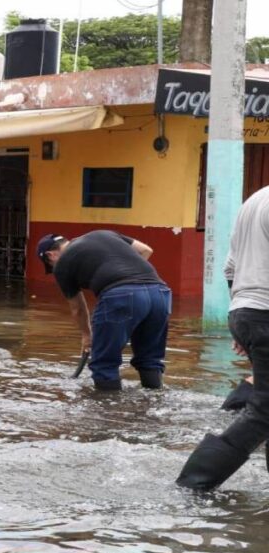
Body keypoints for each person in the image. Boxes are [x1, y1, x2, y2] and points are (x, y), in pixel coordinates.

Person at [177, 186, 269, 490]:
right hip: (264, 311)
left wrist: (241, 321)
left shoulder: (256, 199)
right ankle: (193, 486)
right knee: (265, 411)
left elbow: (230, 268)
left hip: (246, 310)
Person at [37, 230, 171, 391]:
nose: (53, 269)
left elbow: (78, 309)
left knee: (104, 364)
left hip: (121, 296)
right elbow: (145, 250)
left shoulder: (61, 265)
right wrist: (132, 279)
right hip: (161, 293)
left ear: (50, 255)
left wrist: (87, 336)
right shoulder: (104, 234)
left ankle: (107, 413)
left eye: (50, 266)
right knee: (150, 359)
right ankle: (153, 405)